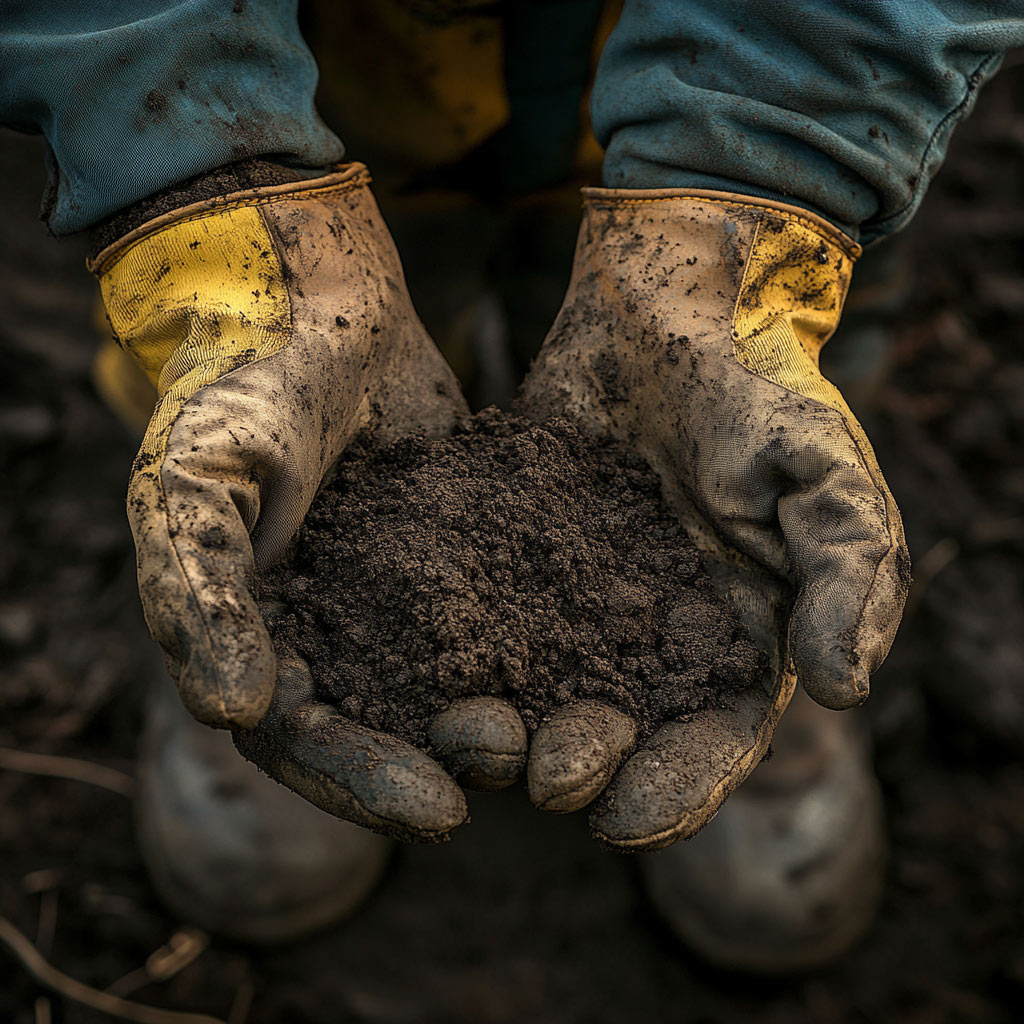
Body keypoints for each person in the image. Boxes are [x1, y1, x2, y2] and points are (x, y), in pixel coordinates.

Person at [2, 0, 1021, 971]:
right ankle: (254, 575)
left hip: (763, 76)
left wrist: (774, 157)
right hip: (304, 75)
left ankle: (765, 577)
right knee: (264, 377)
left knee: (752, 376)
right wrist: (207, 178)